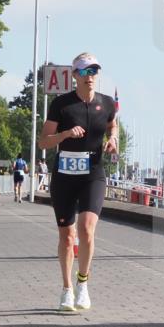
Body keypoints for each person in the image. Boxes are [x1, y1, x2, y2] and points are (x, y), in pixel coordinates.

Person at [39, 52, 118, 312]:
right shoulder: (61, 105)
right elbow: (44, 142)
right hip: (64, 174)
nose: (90, 76)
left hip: (93, 172)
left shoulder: (107, 103)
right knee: (67, 235)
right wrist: (64, 134)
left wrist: (113, 139)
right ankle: (66, 288)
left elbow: (112, 125)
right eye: (84, 72)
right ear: (75, 76)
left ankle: (83, 284)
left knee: (86, 229)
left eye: (94, 71)